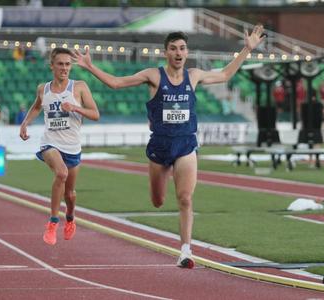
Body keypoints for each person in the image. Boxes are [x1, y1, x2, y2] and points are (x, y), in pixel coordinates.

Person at [73, 26, 265, 268]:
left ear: (187, 52)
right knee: (158, 201)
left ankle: (185, 250)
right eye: (173, 48)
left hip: (185, 145)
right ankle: (164, 194)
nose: (178, 52)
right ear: (166, 52)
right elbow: (116, 83)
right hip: (160, 147)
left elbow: (225, 75)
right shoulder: (153, 75)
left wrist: (247, 48)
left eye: (182, 48)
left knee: (185, 198)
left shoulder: (193, 76)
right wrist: (90, 66)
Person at [19, 47, 100, 246]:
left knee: (70, 194)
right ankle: (53, 222)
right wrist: (25, 123)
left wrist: (75, 107)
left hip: (72, 146)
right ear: (52, 66)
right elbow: (38, 105)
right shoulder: (43, 89)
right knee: (61, 174)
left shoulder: (79, 87)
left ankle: (70, 218)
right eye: (60, 64)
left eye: (67, 64)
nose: (64, 68)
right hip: (50, 142)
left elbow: (95, 114)